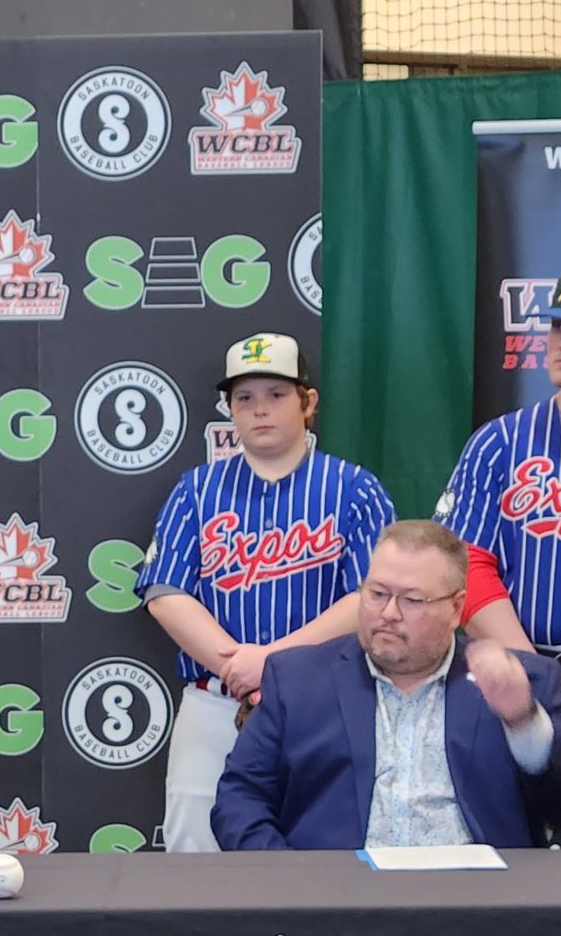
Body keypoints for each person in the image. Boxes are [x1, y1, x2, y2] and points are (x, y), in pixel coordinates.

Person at [138, 332, 395, 851]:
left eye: (277, 395)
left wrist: (271, 662)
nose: (260, 410)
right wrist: (239, 669)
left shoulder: (354, 487)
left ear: (308, 401)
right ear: (229, 409)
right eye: (244, 398)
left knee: (330, 850)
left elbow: (372, 597)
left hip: (327, 700)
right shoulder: (196, 489)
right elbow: (165, 592)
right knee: (194, 852)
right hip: (215, 701)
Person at [211, 521, 561, 850]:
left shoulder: (521, 680)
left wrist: (522, 721)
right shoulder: (297, 679)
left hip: (478, 909)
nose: (389, 613)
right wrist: (293, 884)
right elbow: (239, 800)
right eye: (376, 594)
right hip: (335, 907)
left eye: (411, 599)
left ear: (456, 609)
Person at [435, 262, 561, 724]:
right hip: (511, 684)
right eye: (558, 324)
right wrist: (536, 673)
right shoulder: (498, 442)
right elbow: (465, 564)